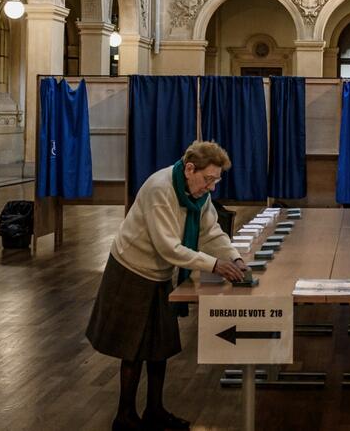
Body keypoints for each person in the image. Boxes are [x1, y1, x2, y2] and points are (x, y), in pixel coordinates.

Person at [86, 141, 248, 430]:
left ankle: (155, 409)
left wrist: (235, 258)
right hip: (131, 270)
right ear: (189, 169)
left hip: (159, 275)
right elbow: (168, 247)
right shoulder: (160, 188)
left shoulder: (198, 195)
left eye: (216, 181)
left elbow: (211, 231)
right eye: (208, 179)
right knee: (132, 348)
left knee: (159, 347)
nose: (211, 187)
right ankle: (124, 416)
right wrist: (214, 265)